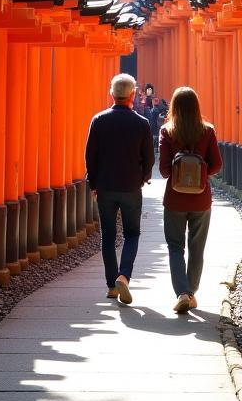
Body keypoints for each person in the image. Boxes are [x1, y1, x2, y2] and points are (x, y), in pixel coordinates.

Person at [85, 73, 155, 304]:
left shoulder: (99, 120)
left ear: (112, 94)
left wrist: (93, 183)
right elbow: (148, 158)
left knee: (108, 235)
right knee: (132, 233)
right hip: (130, 186)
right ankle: (123, 275)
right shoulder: (141, 123)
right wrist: (143, 177)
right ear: (133, 95)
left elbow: (90, 156)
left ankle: (110, 286)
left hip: (105, 186)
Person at [159, 86, 223, 314]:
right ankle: (192, 293)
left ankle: (182, 293)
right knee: (197, 248)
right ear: (196, 106)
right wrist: (200, 174)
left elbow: (165, 170)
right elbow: (217, 164)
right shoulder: (207, 131)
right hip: (201, 199)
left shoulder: (168, 132)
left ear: (173, 107)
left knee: (175, 247)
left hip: (175, 199)